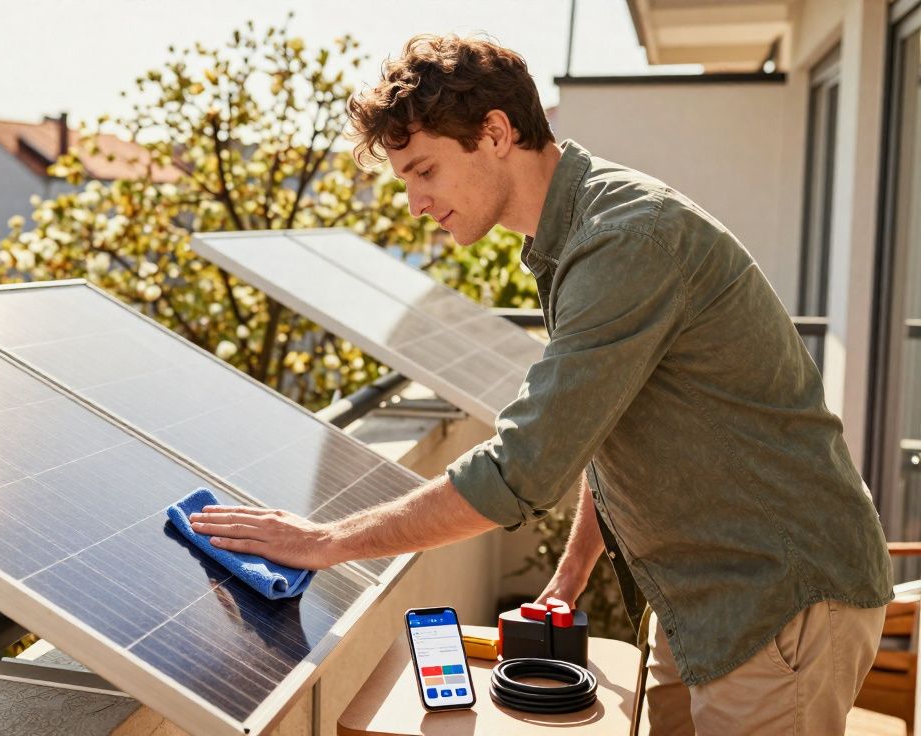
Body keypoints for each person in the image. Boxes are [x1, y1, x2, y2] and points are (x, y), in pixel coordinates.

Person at [188, 34, 893, 734]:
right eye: (405, 179)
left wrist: (324, 542)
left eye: (424, 170)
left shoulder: (625, 240)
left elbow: (519, 471)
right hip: (701, 601)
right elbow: (601, 424)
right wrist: (570, 574)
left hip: (782, 601)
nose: (415, 203)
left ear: (495, 133)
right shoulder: (574, 241)